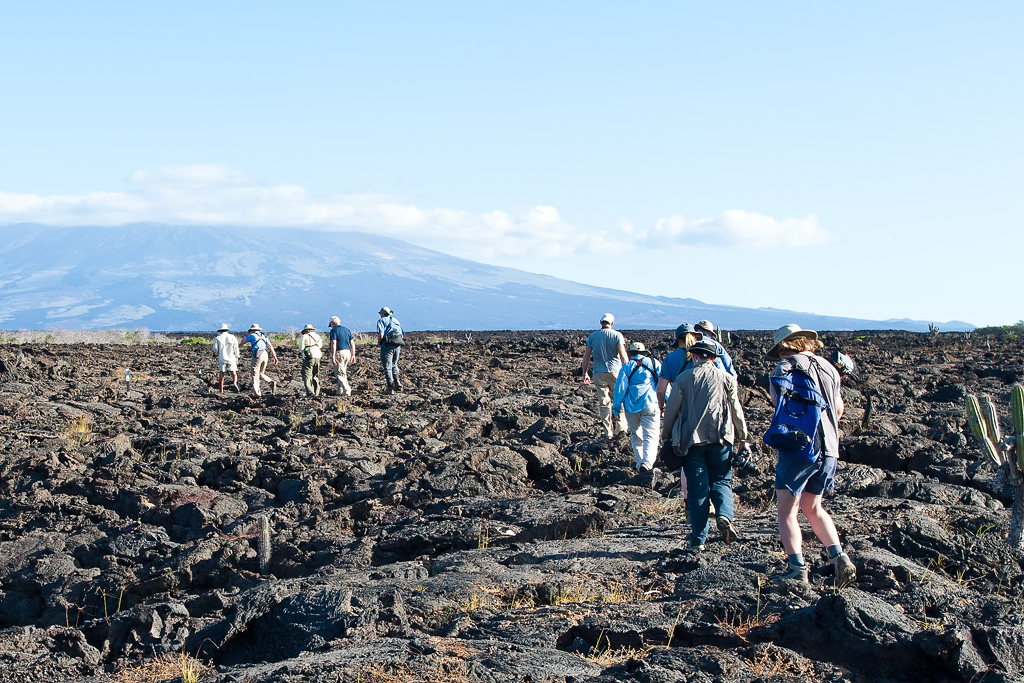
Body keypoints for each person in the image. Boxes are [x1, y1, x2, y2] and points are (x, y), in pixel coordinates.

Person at [767, 324, 856, 586]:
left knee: (787, 512)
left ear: (784, 346)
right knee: (813, 506)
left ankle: (796, 568)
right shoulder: (830, 367)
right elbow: (839, 410)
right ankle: (839, 557)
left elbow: (776, 400)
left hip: (800, 446)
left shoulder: (787, 364)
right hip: (830, 449)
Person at [661, 339, 750, 551]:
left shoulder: (683, 378)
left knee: (697, 491)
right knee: (721, 481)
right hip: (722, 440)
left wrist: (666, 436)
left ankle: (698, 540)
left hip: (693, 442)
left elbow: (672, 409)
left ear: (696, 356)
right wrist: (743, 439)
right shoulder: (726, 378)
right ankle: (724, 516)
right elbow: (737, 410)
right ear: (713, 358)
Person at [612, 342, 662, 475]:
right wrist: (667, 402)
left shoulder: (627, 366)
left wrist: (616, 409)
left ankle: (640, 464)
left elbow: (620, 389)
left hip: (631, 406)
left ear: (630, 353)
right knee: (651, 435)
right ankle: (647, 463)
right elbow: (663, 384)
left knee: (636, 435)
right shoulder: (654, 363)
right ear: (645, 353)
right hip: (650, 403)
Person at [581, 313, 628, 439]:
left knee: (604, 403)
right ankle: (621, 429)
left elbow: (586, 357)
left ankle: (608, 432)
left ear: (600, 322)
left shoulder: (592, 336)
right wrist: (628, 372)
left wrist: (585, 373)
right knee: (621, 400)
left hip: (598, 373)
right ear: (611, 323)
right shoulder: (617, 335)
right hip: (616, 372)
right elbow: (622, 355)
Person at [244, 323, 278, 397]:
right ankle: (271, 382)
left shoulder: (252, 335)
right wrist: (275, 357)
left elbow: (242, 342)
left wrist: (246, 335)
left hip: (257, 354)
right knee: (261, 373)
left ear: (252, 330)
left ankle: (257, 393)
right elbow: (270, 346)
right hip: (265, 354)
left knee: (254, 374)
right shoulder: (263, 336)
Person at [376, 307, 404, 393]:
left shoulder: (381, 321)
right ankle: (397, 383)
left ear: (382, 314)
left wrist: (379, 343)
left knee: (387, 366)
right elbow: (402, 334)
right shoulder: (396, 321)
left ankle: (390, 387)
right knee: (394, 364)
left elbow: (380, 334)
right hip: (397, 344)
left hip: (387, 344)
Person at [328, 316, 357, 396]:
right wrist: (353, 355)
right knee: (343, 371)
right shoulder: (347, 330)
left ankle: (347, 390)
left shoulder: (334, 330)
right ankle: (339, 390)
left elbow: (334, 343)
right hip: (347, 352)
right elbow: (352, 343)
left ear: (332, 323)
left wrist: (333, 356)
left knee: (339, 373)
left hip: (339, 353)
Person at [297, 324, 324, 397]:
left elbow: (301, 347)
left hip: (309, 356)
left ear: (306, 330)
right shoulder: (318, 336)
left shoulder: (304, 336)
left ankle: (310, 392)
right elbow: (321, 346)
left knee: (307, 374)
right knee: (315, 374)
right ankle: (316, 391)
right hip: (318, 356)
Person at [212, 323, 240, 392]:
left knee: (222, 375)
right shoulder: (232, 337)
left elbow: (215, 349)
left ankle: (221, 390)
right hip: (231, 358)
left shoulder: (218, 338)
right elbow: (236, 348)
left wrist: (216, 354)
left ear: (220, 331)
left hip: (222, 358)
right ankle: (234, 383)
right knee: (234, 373)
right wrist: (237, 357)